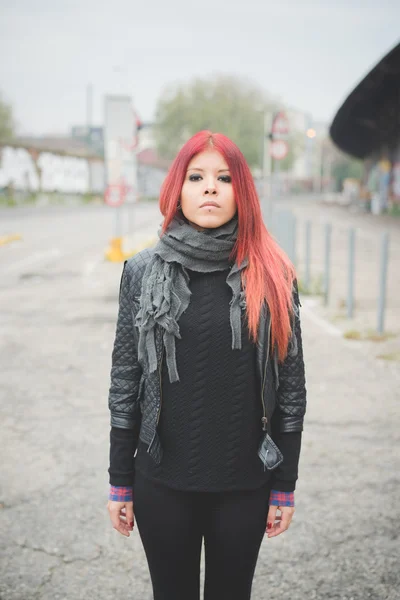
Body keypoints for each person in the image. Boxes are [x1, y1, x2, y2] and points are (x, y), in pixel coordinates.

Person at [107, 130, 307, 600]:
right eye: (196, 177)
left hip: (244, 485)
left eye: (224, 177)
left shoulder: (273, 274)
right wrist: (119, 480)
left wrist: (285, 485)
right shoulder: (142, 271)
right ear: (177, 188)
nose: (211, 188)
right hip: (161, 480)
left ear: (243, 192)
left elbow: (292, 389)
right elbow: (125, 379)